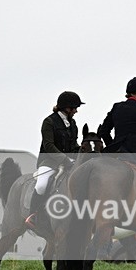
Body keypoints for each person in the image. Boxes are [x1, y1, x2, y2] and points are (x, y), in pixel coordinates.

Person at [25, 91, 83, 231]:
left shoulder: (72, 123)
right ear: (66, 108)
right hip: (49, 161)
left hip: (69, 162)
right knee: (41, 185)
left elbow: (74, 145)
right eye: (74, 108)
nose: (76, 111)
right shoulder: (49, 122)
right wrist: (64, 159)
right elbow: (48, 145)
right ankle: (33, 215)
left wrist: (81, 152)